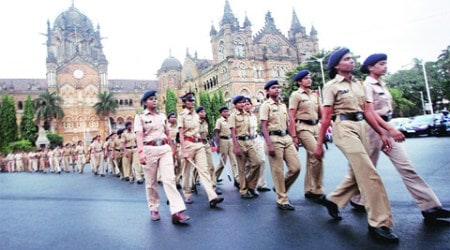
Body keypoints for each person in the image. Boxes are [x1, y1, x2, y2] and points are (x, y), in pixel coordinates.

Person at [349, 53, 450, 220]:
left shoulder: (382, 85)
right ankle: (356, 198)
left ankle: (430, 206)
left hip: (387, 127)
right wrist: (389, 129)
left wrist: (389, 128)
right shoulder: (366, 86)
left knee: (407, 167)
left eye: (385, 63)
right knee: (367, 169)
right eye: (381, 64)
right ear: (370, 68)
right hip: (371, 130)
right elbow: (370, 112)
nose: (385, 66)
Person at [313, 48, 399, 243]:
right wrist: (319, 145)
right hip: (344, 128)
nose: (352, 61)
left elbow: (368, 112)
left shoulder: (359, 84)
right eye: (347, 59)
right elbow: (325, 118)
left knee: (356, 172)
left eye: (352, 58)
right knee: (369, 173)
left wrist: (381, 133)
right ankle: (379, 222)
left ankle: (333, 200)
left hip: (361, 126)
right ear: (336, 65)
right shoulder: (331, 86)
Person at [135, 90, 190, 224]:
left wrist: (172, 149)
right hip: (149, 149)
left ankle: (176, 211)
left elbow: (167, 133)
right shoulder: (140, 117)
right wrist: (141, 152)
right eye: (151, 99)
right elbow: (139, 135)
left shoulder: (162, 116)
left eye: (155, 98)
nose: (154, 100)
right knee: (151, 182)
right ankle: (154, 208)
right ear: (145, 102)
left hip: (164, 148)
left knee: (169, 179)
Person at [178, 92, 224, 207]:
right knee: (186, 171)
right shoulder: (181, 115)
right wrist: (183, 150)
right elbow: (181, 135)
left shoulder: (196, 116)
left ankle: (212, 196)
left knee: (204, 170)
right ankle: (187, 193)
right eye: (189, 100)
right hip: (187, 144)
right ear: (184, 102)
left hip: (199, 144)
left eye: (193, 100)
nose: (192, 102)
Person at [260, 80, 301, 210]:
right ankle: (282, 200)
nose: (277, 89)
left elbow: (289, 123)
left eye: (278, 87)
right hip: (273, 138)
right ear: (267, 91)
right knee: (278, 171)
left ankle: (280, 187)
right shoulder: (266, 105)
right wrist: (269, 144)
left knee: (296, 168)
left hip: (286, 138)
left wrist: (294, 138)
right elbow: (264, 127)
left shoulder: (283, 105)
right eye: (273, 88)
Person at [288, 70, 325, 200]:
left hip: (316, 127)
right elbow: (291, 117)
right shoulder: (296, 95)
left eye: (309, 78)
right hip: (303, 127)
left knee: (312, 159)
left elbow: (322, 112)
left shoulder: (315, 95)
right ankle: (317, 188)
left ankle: (309, 189)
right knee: (317, 154)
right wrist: (293, 136)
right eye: (305, 78)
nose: (309, 80)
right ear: (299, 82)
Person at [229, 95, 261, 199]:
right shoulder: (233, 116)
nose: (242, 104)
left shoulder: (247, 115)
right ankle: (243, 190)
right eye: (239, 103)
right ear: (235, 105)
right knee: (242, 168)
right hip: (239, 142)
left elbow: (249, 128)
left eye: (243, 102)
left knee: (257, 162)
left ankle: (251, 185)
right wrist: (236, 146)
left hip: (249, 141)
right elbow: (233, 132)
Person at [244, 97, 271, 192]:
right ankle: (245, 183)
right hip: (247, 141)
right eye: (245, 104)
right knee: (249, 164)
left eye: (248, 104)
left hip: (257, 139)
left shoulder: (254, 116)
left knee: (262, 160)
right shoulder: (242, 117)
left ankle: (261, 184)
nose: (247, 106)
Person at [196, 106, 220, 194]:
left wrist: (209, 142)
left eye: (204, 112)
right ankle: (193, 182)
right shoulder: (195, 122)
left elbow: (206, 134)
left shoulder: (206, 122)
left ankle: (213, 185)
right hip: (198, 145)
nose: (203, 113)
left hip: (206, 144)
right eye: (201, 112)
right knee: (198, 167)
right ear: (197, 113)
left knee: (210, 165)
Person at [213, 106, 239, 188]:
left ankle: (237, 179)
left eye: (227, 111)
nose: (226, 113)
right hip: (223, 141)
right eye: (224, 112)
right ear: (221, 113)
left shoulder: (230, 120)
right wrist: (217, 145)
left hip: (230, 140)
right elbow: (216, 133)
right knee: (222, 162)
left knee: (234, 160)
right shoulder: (219, 121)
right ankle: (214, 178)